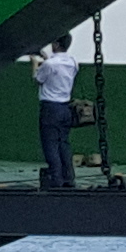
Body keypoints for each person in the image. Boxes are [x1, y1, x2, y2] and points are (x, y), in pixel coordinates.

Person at [34, 37, 82, 192]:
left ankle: (56, 178)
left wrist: (35, 63)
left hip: (50, 107)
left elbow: (38, 78)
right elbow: (56, 70)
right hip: (65, 107)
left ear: (55, 44)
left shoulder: (49, 64)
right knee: (63, 143)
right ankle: (69, 177)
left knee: (50, 144)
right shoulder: (73, 62)